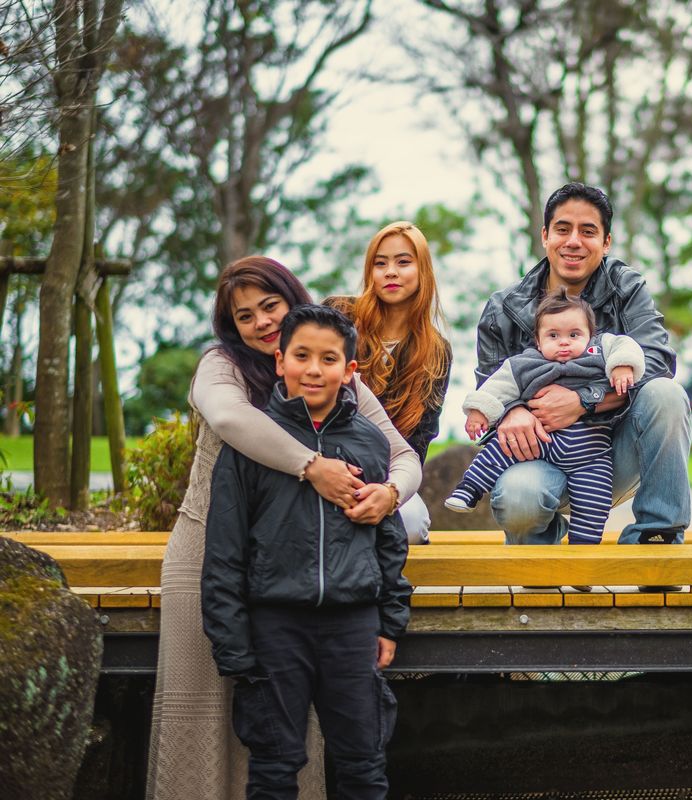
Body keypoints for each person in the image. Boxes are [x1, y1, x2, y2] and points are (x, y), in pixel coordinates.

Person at [146, 257, 422, 800]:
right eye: (245, 315)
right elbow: (230, 419)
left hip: (317, 583)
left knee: (316, 742)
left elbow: (401, 458)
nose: (261, 321)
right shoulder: (221, 365)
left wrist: (388, 494)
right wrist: (313, 466)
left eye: (270, 305)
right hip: (216, 548)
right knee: (206, 707)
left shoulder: (341, 386)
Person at [203, 304, 410, 800]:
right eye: (301, 356)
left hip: (352, 624)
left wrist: (389, 621)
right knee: (274, 769)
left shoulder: (367, 442)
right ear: (280, 361)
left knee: (363, 766)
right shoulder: (254, 443)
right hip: (275, 626)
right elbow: (225, 549)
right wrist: (234, 646)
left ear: (349, 370)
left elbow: (389, 539)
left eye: (328, 359)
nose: (314, 370)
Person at [475, 182, 690, 545]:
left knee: (666, 395)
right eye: (563, 229)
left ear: (606, 242)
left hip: (612, 450)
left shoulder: (627, 288)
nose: (573, 241)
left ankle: (657, 533)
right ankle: (542, 545)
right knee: (519, 502)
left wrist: (584, 400)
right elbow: (487, 386)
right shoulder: (503, 308)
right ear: (545, 236)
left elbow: (657, 361)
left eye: (588, 231)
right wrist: (512, 411)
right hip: (539, 452)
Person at [447, 289, 644, 543]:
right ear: (538, 342)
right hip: (539, 442)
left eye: (574, 335)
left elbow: (624, 344)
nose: (564, 342)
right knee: (500, 448)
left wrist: (623, 365)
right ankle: (470, 488)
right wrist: (478, 410)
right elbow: (497, 386)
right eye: (553, 335)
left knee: (595, 501)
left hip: (590, 453)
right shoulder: (526, 363)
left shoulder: (598, 352)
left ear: (590, 336)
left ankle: (584, 550)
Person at [326, 220, 452, 545]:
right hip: (322, 458)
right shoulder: (337, 314)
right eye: (380, 263)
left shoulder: (436, 351)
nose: (391, 272)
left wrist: (386, 488)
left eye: (403, 262)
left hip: (386, 472)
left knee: (412, 524)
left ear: (423, 270)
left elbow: (419, 440)